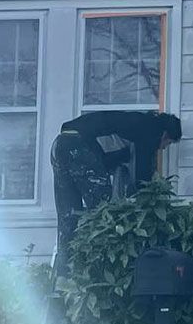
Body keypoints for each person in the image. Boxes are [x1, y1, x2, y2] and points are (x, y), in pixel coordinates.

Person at [51, 111, 182, 278]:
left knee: (68, 216)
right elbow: (142, 180)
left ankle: (63, 276)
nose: (163, 148)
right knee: (103, 213)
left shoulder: (132, 124)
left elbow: (103, 162)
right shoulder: (151, 130)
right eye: (168, 143)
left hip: (61, 143)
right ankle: (98, 273)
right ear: (165, 133)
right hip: (80, 148)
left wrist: (122, 158)